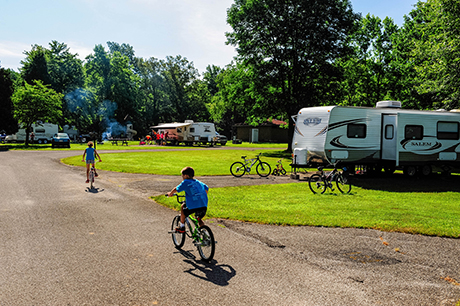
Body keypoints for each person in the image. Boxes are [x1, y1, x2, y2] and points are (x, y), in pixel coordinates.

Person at [168, 167, 209, 232]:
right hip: (203, 205)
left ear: (186, 175)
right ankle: (205, 233)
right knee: (199, 219)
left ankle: (182, 226)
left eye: (182, 176)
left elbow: (176, 189)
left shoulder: (186, 182)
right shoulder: (198, 182)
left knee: (183, 207)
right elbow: (206, 188)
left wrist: (170, 193)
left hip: (193, 206)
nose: (182, 177)